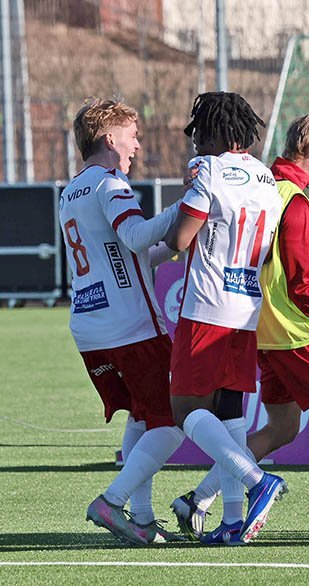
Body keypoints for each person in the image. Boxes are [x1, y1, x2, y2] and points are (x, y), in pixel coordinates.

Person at [171, 113, 309, 544]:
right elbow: (300, 285)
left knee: (282, 427)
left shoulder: (261, 184)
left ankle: (197, 499)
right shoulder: (293, 200)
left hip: (260, 332)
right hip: (297, 333)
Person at [61, 98, 185, 545]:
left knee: (142, 418)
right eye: (133, 136)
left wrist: (174, 244)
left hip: (91, 326)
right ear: (110, 139)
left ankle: (143, 516)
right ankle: (112, 501)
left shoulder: (71, 191)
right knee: (176, 419)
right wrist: (187, 206)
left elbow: (129, 255)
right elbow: (134, 236)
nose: (137, 145)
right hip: (130, 327)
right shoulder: (110, 184)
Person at [164, 92, 286, 546]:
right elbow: (268, 251)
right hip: (246, 306)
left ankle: (258, 481)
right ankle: (232, 520)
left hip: (206, 305)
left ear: (215, 132)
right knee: (229, 412)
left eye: (198, 130)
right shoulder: (267, 178)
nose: (195, 140)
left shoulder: (208, 170)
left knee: (185, 410)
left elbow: (179, 238)